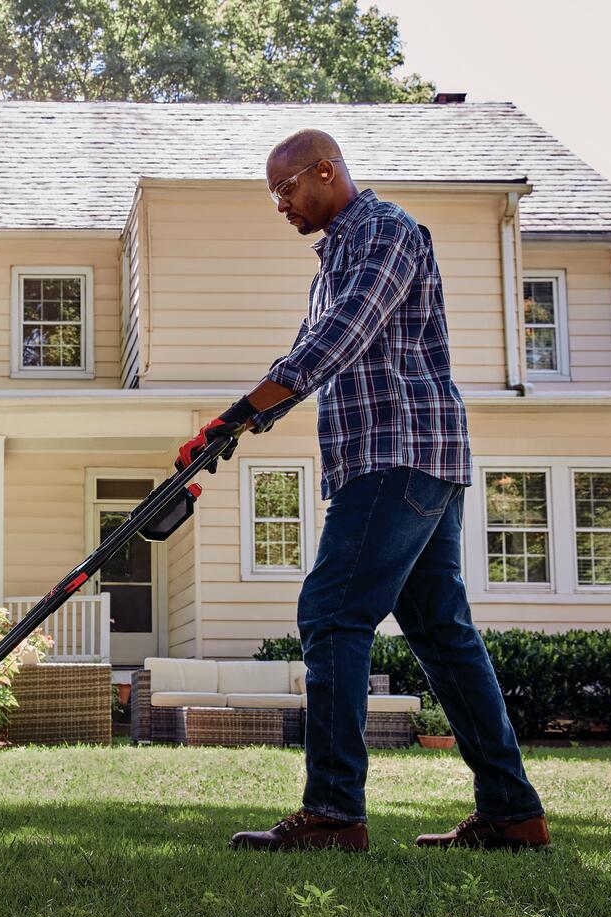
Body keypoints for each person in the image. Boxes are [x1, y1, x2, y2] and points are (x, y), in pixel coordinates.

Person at [173, 129, 548, 853]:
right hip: (408, 458)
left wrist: (241, 410)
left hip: (397, 454)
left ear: (326, 171)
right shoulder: (339, 254)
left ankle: (335, 812)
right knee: (443, 635)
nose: (280, 205)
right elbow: (320, 357)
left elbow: (338, 339)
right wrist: (236, 427)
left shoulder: (384, 232)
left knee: (332, 613)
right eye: (272, 195)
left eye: (287, 189)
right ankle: (512, 814)